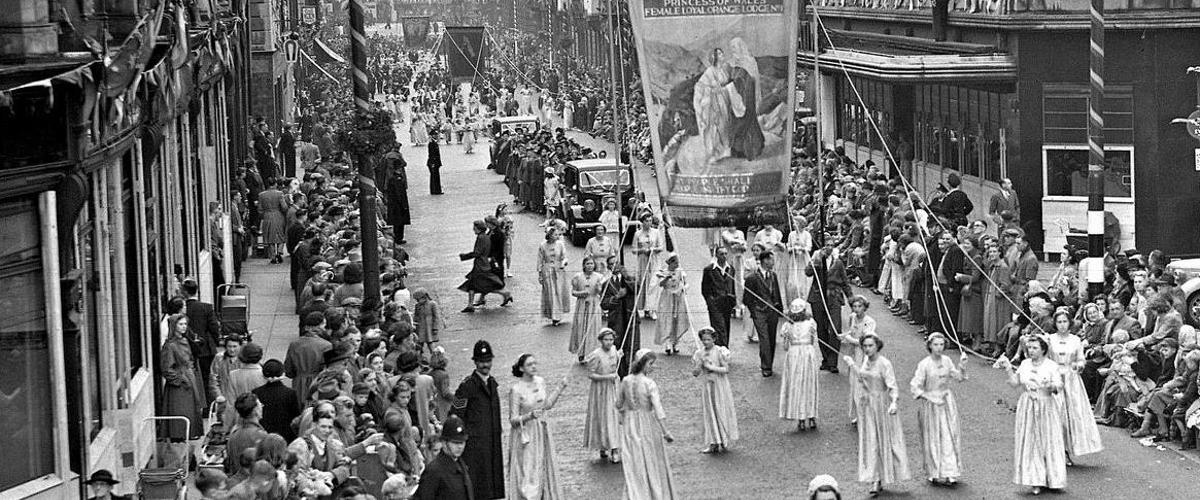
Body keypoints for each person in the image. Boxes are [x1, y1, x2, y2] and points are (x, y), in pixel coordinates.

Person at [843, 334, 911, 497]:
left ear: (877, 346)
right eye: (865, 346)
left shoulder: (884, 363)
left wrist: (894, 402)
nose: (867, 349)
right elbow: (863, 378)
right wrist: (852, 365)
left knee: (885, 441)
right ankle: (875, 478)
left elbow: (892, 386)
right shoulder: (866, 361)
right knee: (871, 441)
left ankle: (885, 475)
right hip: (868, 406)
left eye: (870, 346)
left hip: (882, 405)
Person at [1002, 335, 1067, 495]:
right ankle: (1035, 480)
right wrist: (1008, 367)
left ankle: (1053, 479)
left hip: (1046, 405)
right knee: (1031, 442)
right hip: (1028, 405)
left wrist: (1050, 385)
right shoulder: (1024, 364)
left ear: (1043, 349)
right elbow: (1015, 383)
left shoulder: (1052, 366)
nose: (1031, 351)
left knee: (1048, 440)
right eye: (1029, 348)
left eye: (1035, 348)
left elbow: (1059, 386)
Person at [910, 333, 969, 486]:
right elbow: (915, 387)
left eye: (941, 345)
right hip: (931, 404)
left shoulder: (947, 360)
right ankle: (934, 471)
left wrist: (962, 366)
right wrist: (930, 397)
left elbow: (959, 378)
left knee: (949, 435)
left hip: (947, 403)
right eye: (935, 345)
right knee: (933, 438)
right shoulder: (924, 364)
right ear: (930, 346)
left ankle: (951, 472)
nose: (939, 348)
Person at [617, 349, 677, 499]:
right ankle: (653, 494)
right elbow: (658, 409)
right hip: (647, 424)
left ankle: (636, 493)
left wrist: (624, 413)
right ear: (643, 364)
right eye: (650, 363)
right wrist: (665, 432)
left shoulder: (625, 380)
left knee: (634, 459)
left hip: (630, 425)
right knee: (651, 459)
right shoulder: (649, 383)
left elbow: (618, 404)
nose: (652, 367)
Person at [507, 354, 569, 499]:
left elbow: (546, 405)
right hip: (526, 435)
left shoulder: (540, 382)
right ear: (521, 368)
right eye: (529, 364)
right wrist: (529, 416)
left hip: (541, 431)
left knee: (542, 467)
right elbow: (513, 419)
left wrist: (560, 388)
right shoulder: (516, 390)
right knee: (527, 470)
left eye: (535, 363)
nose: (534, 367)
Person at [1046, 310, 1104, 462]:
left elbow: (1081, 359)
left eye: (1065, 321)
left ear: (1069, 323)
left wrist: (1079, 365)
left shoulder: (1076, 340)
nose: (1062, 325)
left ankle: (1067, 449)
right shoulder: (1049, 339)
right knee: (1055, 415)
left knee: (1071, 417)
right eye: (1059, 322)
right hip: (1055, 378)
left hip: (1071, 380)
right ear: (1055, 324)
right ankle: (1054, 451)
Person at [451, 340, 504, 499]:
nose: (485, 365)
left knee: (491, 486)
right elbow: (455, 413)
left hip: (492, 443)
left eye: (488, 361)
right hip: (475, 447)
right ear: (475, 362)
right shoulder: (466, 387)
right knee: (478, 487)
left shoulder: (492, 384)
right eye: (481, 361)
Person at [691, 327, 739, 454]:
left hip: (719, 385)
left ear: (714, 339)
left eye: (708, 339)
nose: (706, 342)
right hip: (707, 385)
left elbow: (726, 369)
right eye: (703, 340)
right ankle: (713, 442)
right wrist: (699, 365)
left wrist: (711, 367)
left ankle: (723, 440)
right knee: (709, 412)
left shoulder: (719, 351)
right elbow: (695, 373)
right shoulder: (699, 353)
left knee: (720, 409)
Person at [809, 238, 851, 372]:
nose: (829, 247)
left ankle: (833, 362)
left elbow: (844, 281)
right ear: (822, 247)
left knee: (835, 328)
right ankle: (825, 359)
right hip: (818, 297)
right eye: (827, 245)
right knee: (821, 328)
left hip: (834, 297)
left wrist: (851, 298)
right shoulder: (817, 259)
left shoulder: (838, 263)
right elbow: (807, 272)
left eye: (832, 245)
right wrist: (816, 260)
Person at [161, 314, 205, 440]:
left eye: (185, 324)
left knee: (191, 411)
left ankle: (188, 436)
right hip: (179, 386)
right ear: (174, 326)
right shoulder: (170, 346)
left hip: (190, 378)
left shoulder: (186, 341)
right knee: (181, 413)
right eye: (181, 324)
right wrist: (180, 379)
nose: (184, 327)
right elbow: (166, 368)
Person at [780, 299, 821, 431]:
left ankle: (802, 419)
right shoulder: (811, 323)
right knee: (808, 384)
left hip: (794, 354)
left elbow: (785, 347)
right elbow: (812, 341)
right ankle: (810, 417)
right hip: (807, 353)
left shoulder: (787, 325)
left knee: (797, 385)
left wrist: (788, 337)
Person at [414, 415, 475, 500]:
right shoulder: (434, 471)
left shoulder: (461, 464)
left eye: (462, 443)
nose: (460, 447)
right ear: (444, 443)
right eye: (455, 443)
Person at [584, 328, 622, 463]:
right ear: (601, 340)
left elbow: (614, 363)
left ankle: (615, 448)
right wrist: (607, 377)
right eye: (606, 340)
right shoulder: (596, 355)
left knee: (614, 417)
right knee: (603, 417)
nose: (609, 342)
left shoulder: (614, 350)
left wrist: (618, 355)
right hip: (600, 391)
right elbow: (591, 374)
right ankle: (603, 446)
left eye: (611, 339)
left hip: (613, 388)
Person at [182, 278, 221, 407]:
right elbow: (214, 327)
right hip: (205, 349)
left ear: (184, 292)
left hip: (187, 350)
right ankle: (208, 406)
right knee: (206, 377)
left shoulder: (183, 310)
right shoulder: (206, 307)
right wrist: (215, 342)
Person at [744, 251, 784, 377]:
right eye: (772, 260)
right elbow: (747, 298)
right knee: (764, 339)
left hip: (772, 312)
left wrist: (780, 310)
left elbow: (776, 293)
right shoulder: (752, 277)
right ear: (765, 261)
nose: (773, 262)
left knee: (772, 339)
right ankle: (765, 366)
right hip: (759, 312)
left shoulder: (773, 275)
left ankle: (769, 363)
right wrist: (754, 311)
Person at [284, 312, 333, 408]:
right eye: (324, 325)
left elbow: (289, 370)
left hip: (298, 384)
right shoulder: (326, 345)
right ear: (319, 326)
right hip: (317, 384)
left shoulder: (294, 344)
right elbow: (328, 370)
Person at [601, 258, 639, 377]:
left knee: (633, 346)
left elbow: (636, 289)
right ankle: (620, 373)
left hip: (630, 317)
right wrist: (617, 297)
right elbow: (604, 304)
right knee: (618, 347)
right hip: (616, 320)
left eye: (616, 263)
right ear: (608, 267)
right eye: (611, 264)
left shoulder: (630, 279)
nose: (614, 266)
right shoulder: (606, 284)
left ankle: (633, 373)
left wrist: (625, 276)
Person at [459, 220, 508, 313]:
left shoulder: (481, 238)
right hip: (483, 264)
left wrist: (464, 256)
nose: (473, 229)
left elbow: (477, 252)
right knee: (474, 285)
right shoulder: (485, 236)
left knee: (482, 285)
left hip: (480, 265)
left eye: (475, 227)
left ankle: (505, 293)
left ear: (478, 228)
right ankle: (470, 305)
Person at [253, 359, 300, 442]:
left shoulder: (257, 392)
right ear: (282, 373)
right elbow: (295, 416)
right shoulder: (290, 393)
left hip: (264, 436)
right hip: (285, 436)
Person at [655, 253, 692, 355]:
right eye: (675, 262)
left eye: (677, 262)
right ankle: (667, 343)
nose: (677, 265)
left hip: (678, 297)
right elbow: (661, 284)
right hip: (667, 298)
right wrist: (666, 277)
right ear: (670, 263)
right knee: (667, 319)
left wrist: (683, 289)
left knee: (677, 319)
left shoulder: (680, 271)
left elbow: (686, 283)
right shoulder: (663, 272)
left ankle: (675, 343)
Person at [223, 393, 269, 475]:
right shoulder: (261, 435)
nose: (262, 407)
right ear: (255, 410)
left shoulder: (234, 433)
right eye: (260, 405)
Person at [570, 257, 605, 362]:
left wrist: (599, 289)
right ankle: (581, 353)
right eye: (588, 264)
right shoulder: (578, 277)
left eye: (591, 264)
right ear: (584, 265)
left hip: (594, 304)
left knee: (593, 328)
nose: (590, 266)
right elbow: (573, 292)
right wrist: (581, 293)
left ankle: (592, 353)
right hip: (581, 304)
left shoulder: (599, 277)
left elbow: (601, 293)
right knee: (581, 327)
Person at [701, 246, 737, 347]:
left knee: (726, 325)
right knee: (719, 326)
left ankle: (722, 348)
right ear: (716, 255)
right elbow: (705, 289)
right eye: (721, 254)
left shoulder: (731, 269)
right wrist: (710, 301)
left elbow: (732, 285)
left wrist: (733, 299)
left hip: (727, 303)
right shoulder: (709, 269)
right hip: (715, 303)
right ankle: (722, 348)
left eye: (726, 254)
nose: (724, 256)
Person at [634, 213, 665, 319]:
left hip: (654, 260)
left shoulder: (656, 232)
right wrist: (642, 250)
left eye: (650, 221)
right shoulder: (638, 234)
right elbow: (634, 250)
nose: (648, 223)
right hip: (643, 260)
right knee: (643, 283)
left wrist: (652, 250)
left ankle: (652, 309)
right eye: (646, 221)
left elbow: (661, 247)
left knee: (653, 284)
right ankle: (643, 308)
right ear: (642, 222)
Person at [538, 228, 571, 325]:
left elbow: (564, 256)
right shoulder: (543, 245)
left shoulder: (560, 244)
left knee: (559, 291)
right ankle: (553, 316)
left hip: (559, 270)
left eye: (558, 235)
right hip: (547, 270)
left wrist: (564, 262)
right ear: (550, 235)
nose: (557, 236)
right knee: (550, 292)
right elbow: (540, 260)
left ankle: (559, 314)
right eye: (555, 235)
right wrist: (540, 274)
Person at [258, 178, 289, 263]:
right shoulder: (279, 194)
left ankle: (272, 256)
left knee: (269, 237)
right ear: (275, 184)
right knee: (280, 235)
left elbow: (259, 209)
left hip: (267, 216)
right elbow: (284, 207)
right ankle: (279, 252)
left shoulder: (261, 195)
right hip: (278, 215)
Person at [384, 152, 411, 245]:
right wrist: (404, 205)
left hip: (394, 204)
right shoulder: (397, 179)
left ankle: (398, 237)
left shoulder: (392, 178)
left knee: (398, 222)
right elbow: (400, 193)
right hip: (398, 204)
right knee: (399, 222)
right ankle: (399, 237)